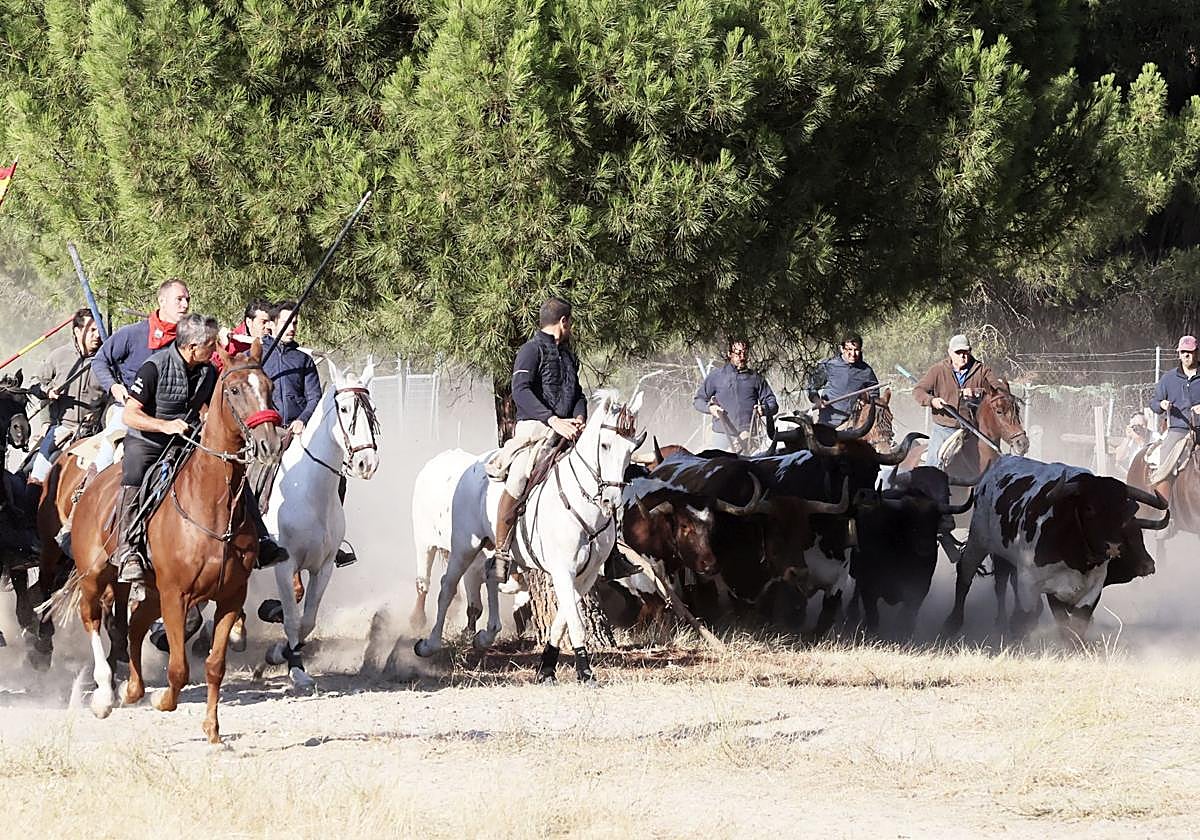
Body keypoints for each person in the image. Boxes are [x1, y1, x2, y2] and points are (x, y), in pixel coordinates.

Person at [113, 314, 286, 596]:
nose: (215, 349)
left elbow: (210, 407)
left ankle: (261, 537)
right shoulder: (153, 368)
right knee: (134, 475)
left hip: (188, 440)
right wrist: (165, 426)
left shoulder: (207, 372)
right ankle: (128, 549)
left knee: (231, 475)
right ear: (192, 346)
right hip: (148, 441)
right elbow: (130, 414)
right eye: (210, 344)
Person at [491, 296, 587, 583]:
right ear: (564, 322)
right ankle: (501, 551)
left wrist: (580, 416)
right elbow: (520, 391)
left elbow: (578, 393)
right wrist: (553, 420)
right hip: (535, 430)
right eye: (570, 323)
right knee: (519, 477)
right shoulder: (530, 351)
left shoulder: (569, 356)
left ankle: (610, 553)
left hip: (569, 430)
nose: (571, 328)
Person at [91, 279, 191, 472]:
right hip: (129, 410)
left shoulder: (187, 342)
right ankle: (87, 489)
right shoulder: (132, 334)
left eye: (187, 299)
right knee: (105, 457)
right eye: (179, 299)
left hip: (173, 415)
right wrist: (113, 386)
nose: (185, 305)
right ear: (162, 301)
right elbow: (99, 360)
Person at [27, 309, 105, 485]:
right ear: (78, 331)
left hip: (94, 434)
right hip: (62, 429)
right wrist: (48, 391)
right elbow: (34, 383)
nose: (97, 335)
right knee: (37, 475)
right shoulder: (59, 355)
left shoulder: (107, 359)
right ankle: (29, 511)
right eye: (92, 330)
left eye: (99, 329)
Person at [913, 333, 1005, 467]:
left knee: (995, 459)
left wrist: (978, 392)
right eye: (958, 352)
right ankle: (929, 483)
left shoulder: (982, 370)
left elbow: (998, 390)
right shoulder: (938, 370)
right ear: (950, 352)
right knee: (933, 463)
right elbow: (918, 390)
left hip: (974, 428)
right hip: (945, 428)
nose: (963, 356)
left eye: (966, 352)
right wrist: (932, 401)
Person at [693, 338, 779, 452]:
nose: (742, 357)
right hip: (721, 437)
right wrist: (710, 408)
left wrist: (763, 409)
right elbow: (698, 401)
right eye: (738, 353)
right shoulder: (716, 376)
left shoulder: (756, 378)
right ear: (729, 354)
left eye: (745, 353)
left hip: (749, 438)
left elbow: (772, 403)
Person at [1149, 335, 1200, 484]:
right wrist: (1161, 405)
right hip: (1178, 431)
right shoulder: (1168, 378)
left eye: (1189, 352)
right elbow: (1153, 402)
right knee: (1165, 456)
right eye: (1183, 352)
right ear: (1178, 353)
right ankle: (1164, 499)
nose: (1186, 355)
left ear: (1196, 352)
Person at [806, 333, 880, 427]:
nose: (853, 354)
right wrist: (817, 401)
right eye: (849, 349)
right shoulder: (829, 365)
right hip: (828, 422)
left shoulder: (866, 371)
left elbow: (874, 393)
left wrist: (865, 401)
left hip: (854, 423)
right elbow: (812, 387)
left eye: (856, 350)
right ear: (842, 349)